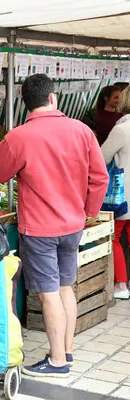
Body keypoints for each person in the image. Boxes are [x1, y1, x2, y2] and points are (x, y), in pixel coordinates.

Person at [0, 74, 109, 378]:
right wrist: (89, 212)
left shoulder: (18, 136)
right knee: (65, 286)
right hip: (73, 224)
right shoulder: (82, 130)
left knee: (47, 293)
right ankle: (65, 351)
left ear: (25, 102)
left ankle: (57, 361)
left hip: (40, 229)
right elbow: (100, 178)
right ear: (53, 97)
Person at [102, 87, 130, 299]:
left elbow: (102, 158)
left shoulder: (122, 129)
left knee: (114, 236)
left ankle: (121, 284)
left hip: (122, 196)